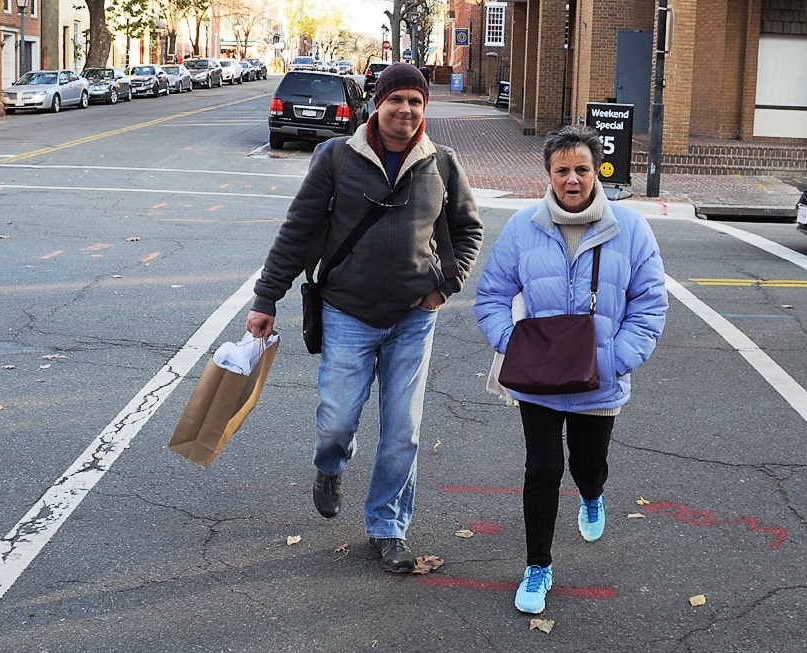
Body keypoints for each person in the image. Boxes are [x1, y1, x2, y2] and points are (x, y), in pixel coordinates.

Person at [246, 63, 484, 573]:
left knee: (403, 430)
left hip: (413, 317)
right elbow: (297, 230)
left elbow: (468, 232)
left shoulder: (442, 163)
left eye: (415, 102)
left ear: (425, 108)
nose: (405, 110)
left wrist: (444, 287)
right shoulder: (337, 156)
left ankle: (388, 527)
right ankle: (329, 467)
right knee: (336, 422)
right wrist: (266, 299)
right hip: (347, 312)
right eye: (395, 99)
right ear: (377, 104)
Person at [474, 124, 667, 613]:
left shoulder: (631, 227)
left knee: (586, 467)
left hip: (599, 381)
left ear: (596, 170)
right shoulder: (523, 227)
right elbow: (492, 294)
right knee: (541, 470)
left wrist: (616, 360)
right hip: (537, 380)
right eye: (562, 170)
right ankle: (538, 566)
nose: (573, 179)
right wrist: (513, 345)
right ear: (549, 174)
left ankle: (592, 494)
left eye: (582, 169)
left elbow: (650, 303)